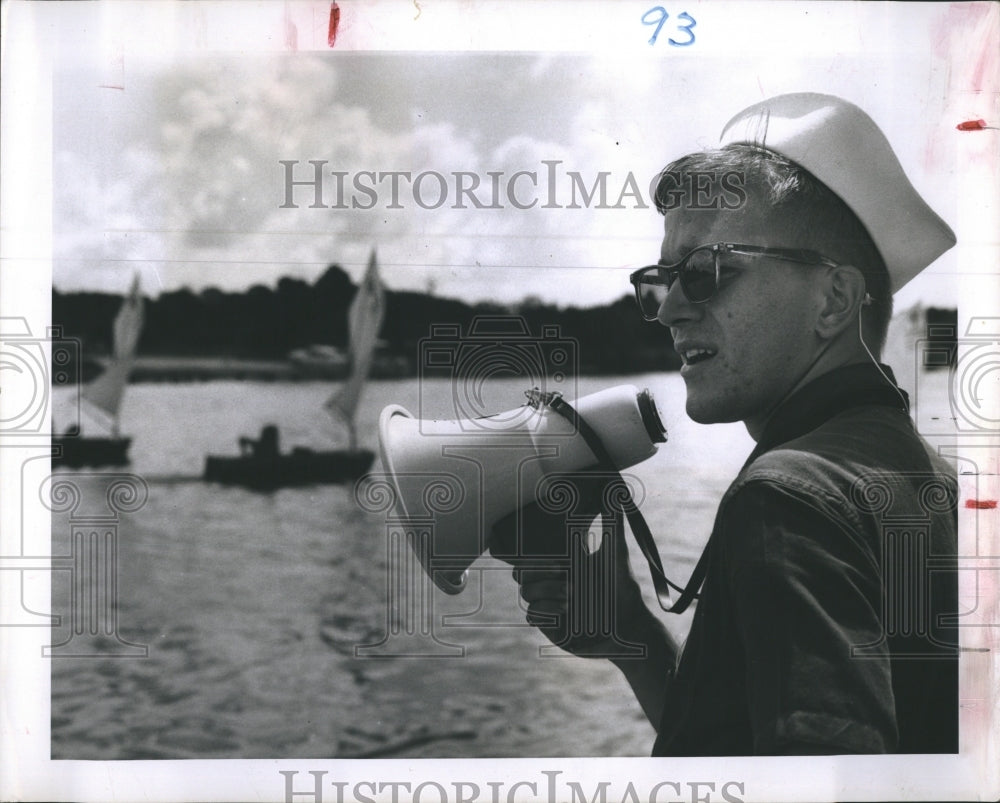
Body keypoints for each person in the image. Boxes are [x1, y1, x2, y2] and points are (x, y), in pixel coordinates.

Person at [490, 93, 959, 755]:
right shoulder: (934, 477)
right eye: (663, 279)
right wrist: (634, 638)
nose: (668, 310)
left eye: (709, 271)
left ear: (834, 300)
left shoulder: (788, 498)